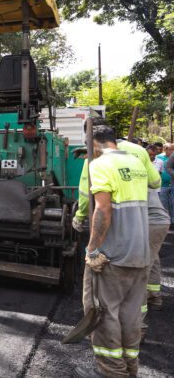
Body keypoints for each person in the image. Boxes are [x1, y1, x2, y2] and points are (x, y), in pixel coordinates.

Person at [73, 125, 151, 378]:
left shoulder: (99, 164)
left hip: (113, 255)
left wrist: (93, 249)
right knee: (130, 315)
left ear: (93, 142)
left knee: (102, 312)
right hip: (140, 251)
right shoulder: (137, 162)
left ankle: (110, 372)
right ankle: (130, 370)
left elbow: (103, 209)